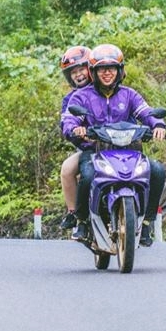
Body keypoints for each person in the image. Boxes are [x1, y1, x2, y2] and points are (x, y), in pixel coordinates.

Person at [60, 43, 166, 246]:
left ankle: (146, 223)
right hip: (96, 151)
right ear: (95, 71)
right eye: (101, 69)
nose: (107, 73)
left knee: (158, 170)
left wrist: (158, 125)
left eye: (111, 68)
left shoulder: (129, 95)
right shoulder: (81, 96)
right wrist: (76, 129)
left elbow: (146, 112)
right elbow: (68, 120)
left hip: (130, 151)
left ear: (120, 71)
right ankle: (81, 221)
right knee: (88, 174)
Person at [58, 45, 92, 233]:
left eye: (81, 69)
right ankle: (75, 213)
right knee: (67, 169)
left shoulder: (103, 88)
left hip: (116, 145)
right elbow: (66, 124)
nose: (78, 74)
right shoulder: (70, 99)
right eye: (74, 72)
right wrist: (78, 133)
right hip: (90, 148)